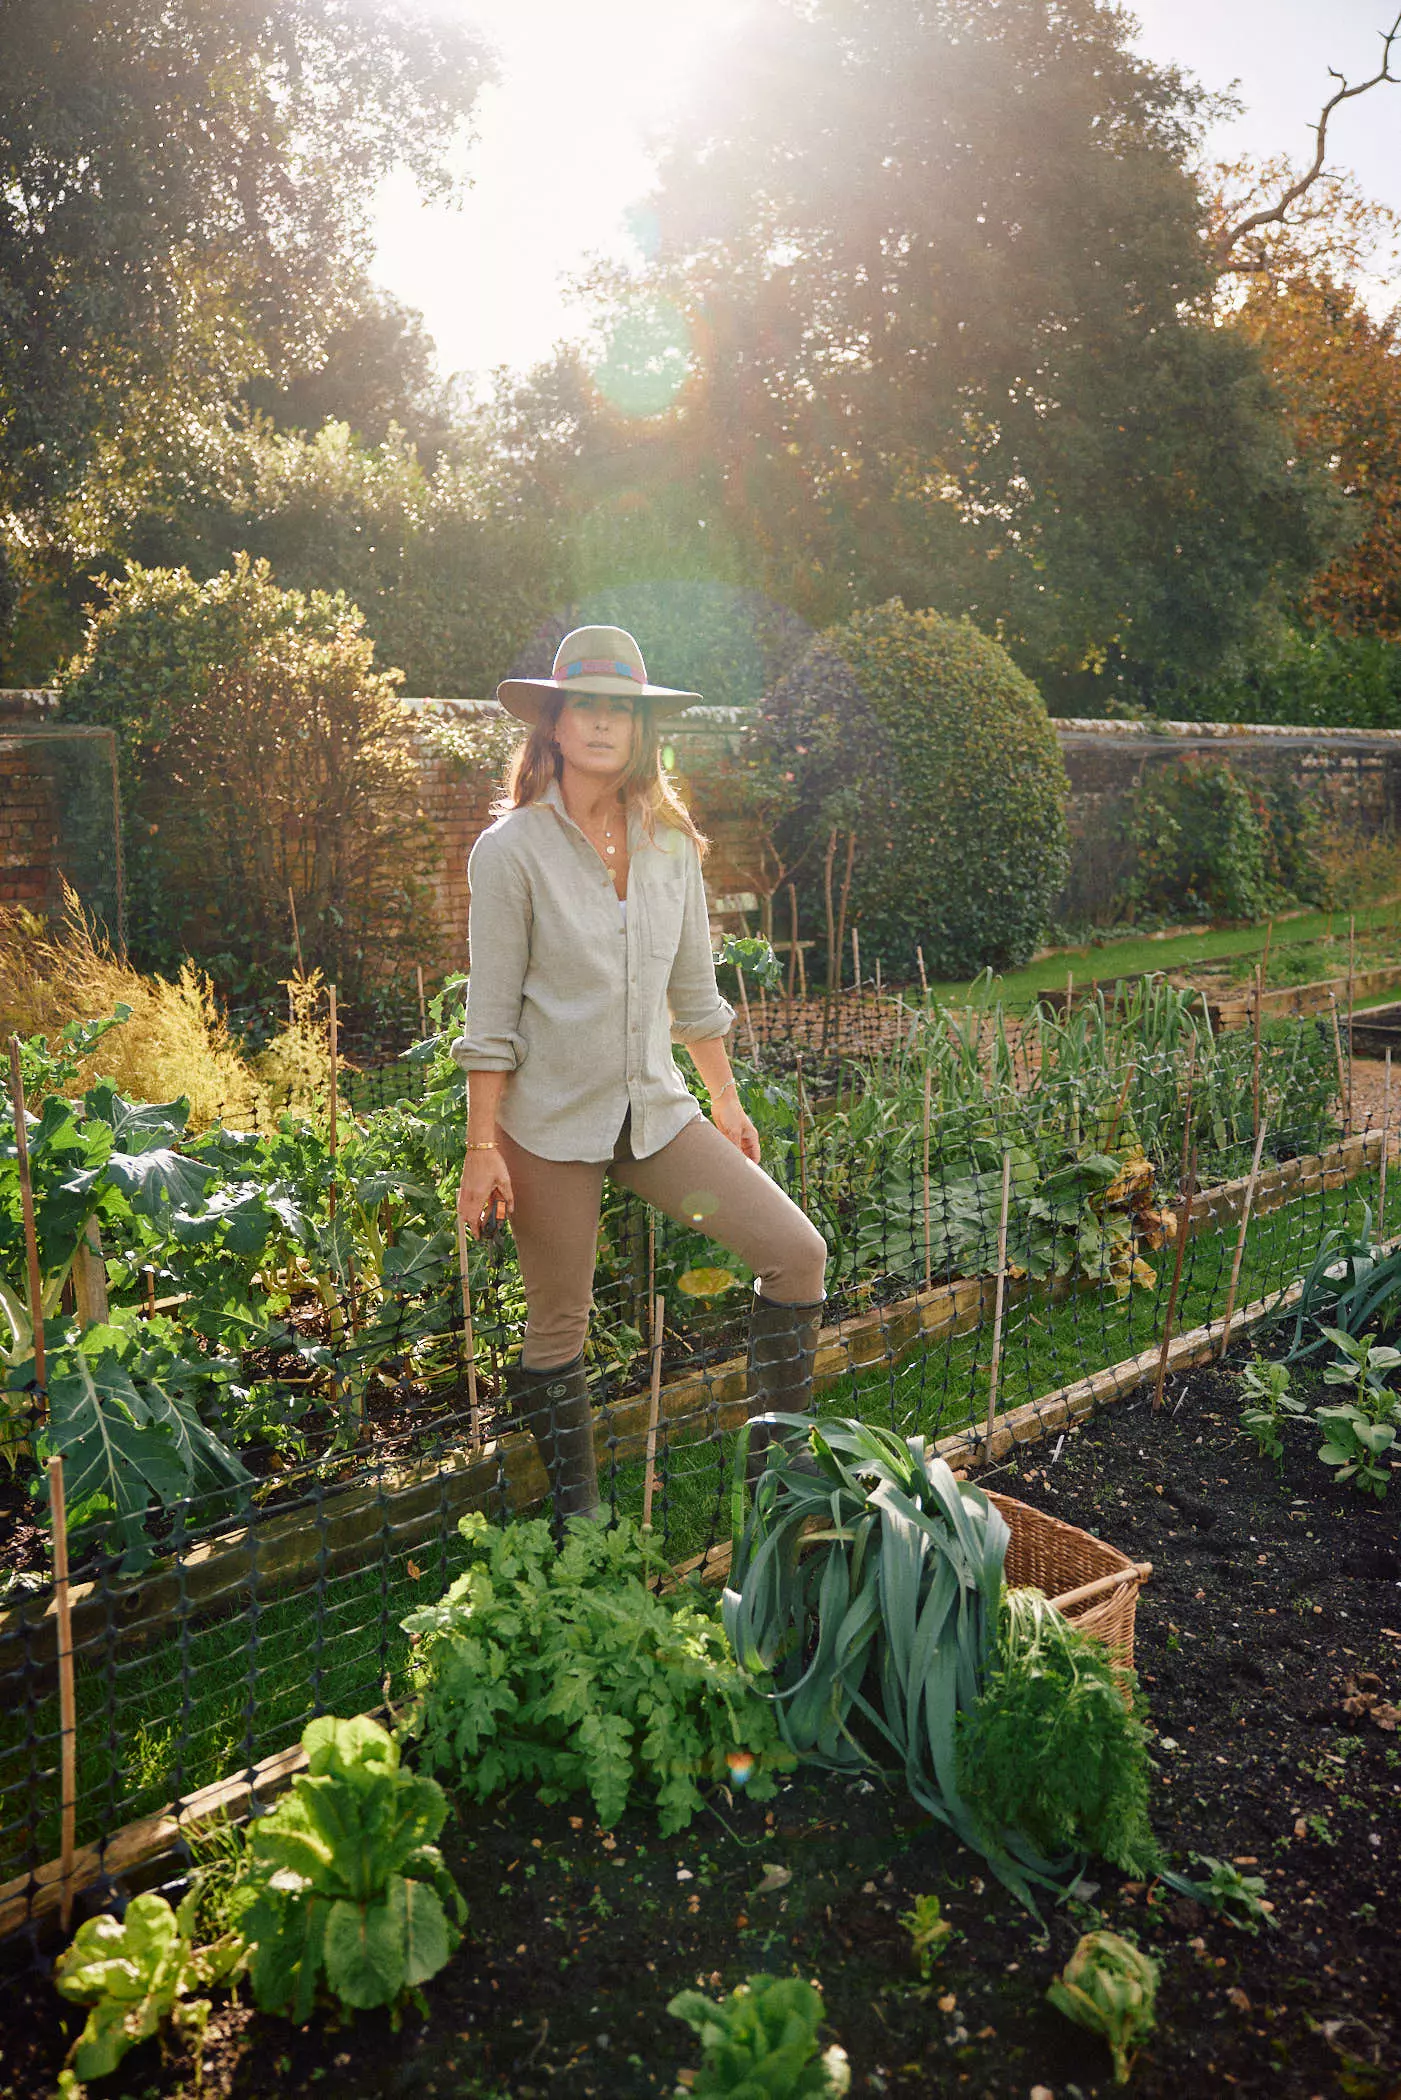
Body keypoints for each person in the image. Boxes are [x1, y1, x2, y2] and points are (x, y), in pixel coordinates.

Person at [453, 623, 828, 1527]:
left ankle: (774, 1501)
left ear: (640, 729)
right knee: (558, 1329)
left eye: (619, 708)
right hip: (546, 1126)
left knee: (797, 1256)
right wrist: (480, 1147)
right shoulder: (510, 854)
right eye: (584, 703)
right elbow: (490, 1021)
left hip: (654, 1116)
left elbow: (695, 995)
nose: (601, 723)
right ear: (552, 723)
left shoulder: (670, 846)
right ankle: (577, 1525)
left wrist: (726, 1102)